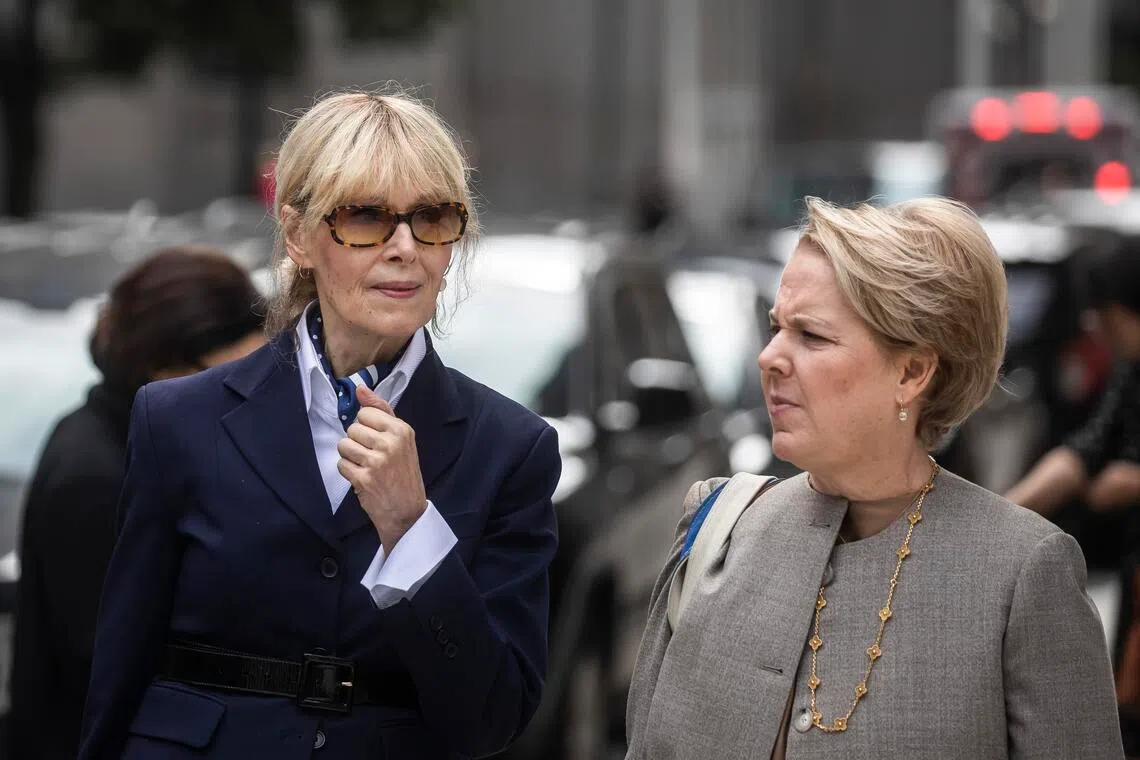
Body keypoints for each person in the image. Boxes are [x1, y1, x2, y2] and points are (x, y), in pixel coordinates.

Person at [77, 89, 561, 760]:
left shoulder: (511, 449)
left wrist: (412, 531)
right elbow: (120, 667)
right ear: (298, 235)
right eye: (365, 217)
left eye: (432, 218)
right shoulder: (178, 420)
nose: (403, 248)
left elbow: (492, 717)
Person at [625, 196, 1123, 759]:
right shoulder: (716, 525)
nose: (769, 357)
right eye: (776, 327)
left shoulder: (1023, 571)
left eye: (811, 336)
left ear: (912, 372)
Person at [6, 246, 266, 760]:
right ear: (162, 367)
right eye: (226, 380)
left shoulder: (139, 446)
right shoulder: (98, 475)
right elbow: (112, 672)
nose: (245, 401)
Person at [1005, 240, 1140, 522]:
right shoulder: (1130, 370)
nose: (1099, 327)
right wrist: (1005, 514)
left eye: (1108, 316)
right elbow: (1082, 453)